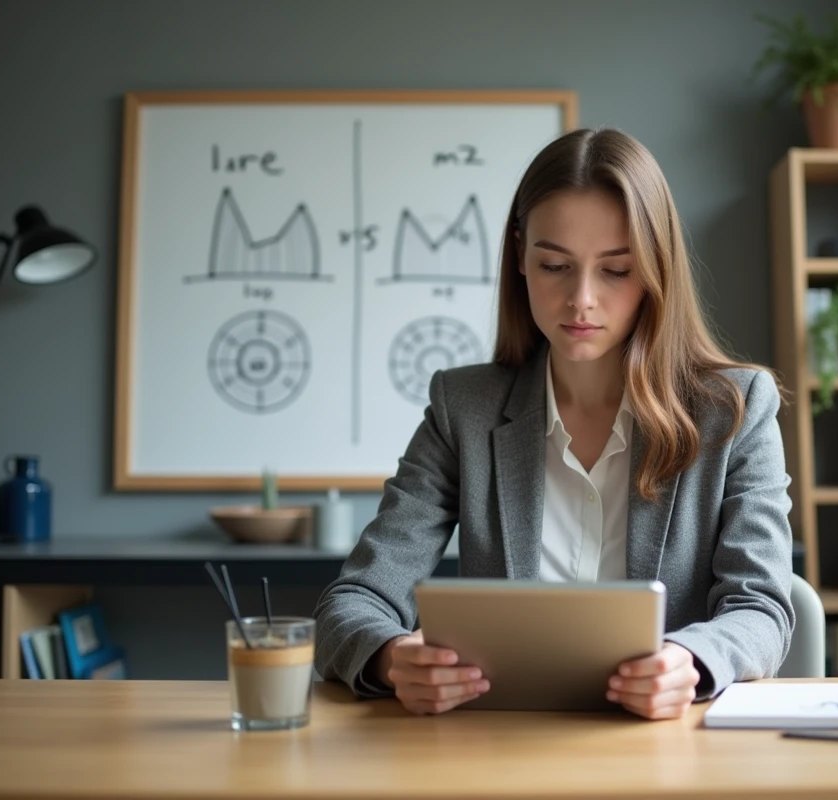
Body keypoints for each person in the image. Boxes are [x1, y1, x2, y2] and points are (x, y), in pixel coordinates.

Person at [314, 127, 794, 720]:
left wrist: (691, 660)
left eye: (616, 270)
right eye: (554, 265)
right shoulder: (462, 408)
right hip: (501, 748)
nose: (581, 299)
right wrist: (391, 656)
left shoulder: (736, 408)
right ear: (521, 256)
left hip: (669, 752)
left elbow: (763, 608)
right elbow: (352, 602)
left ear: (655, 270)